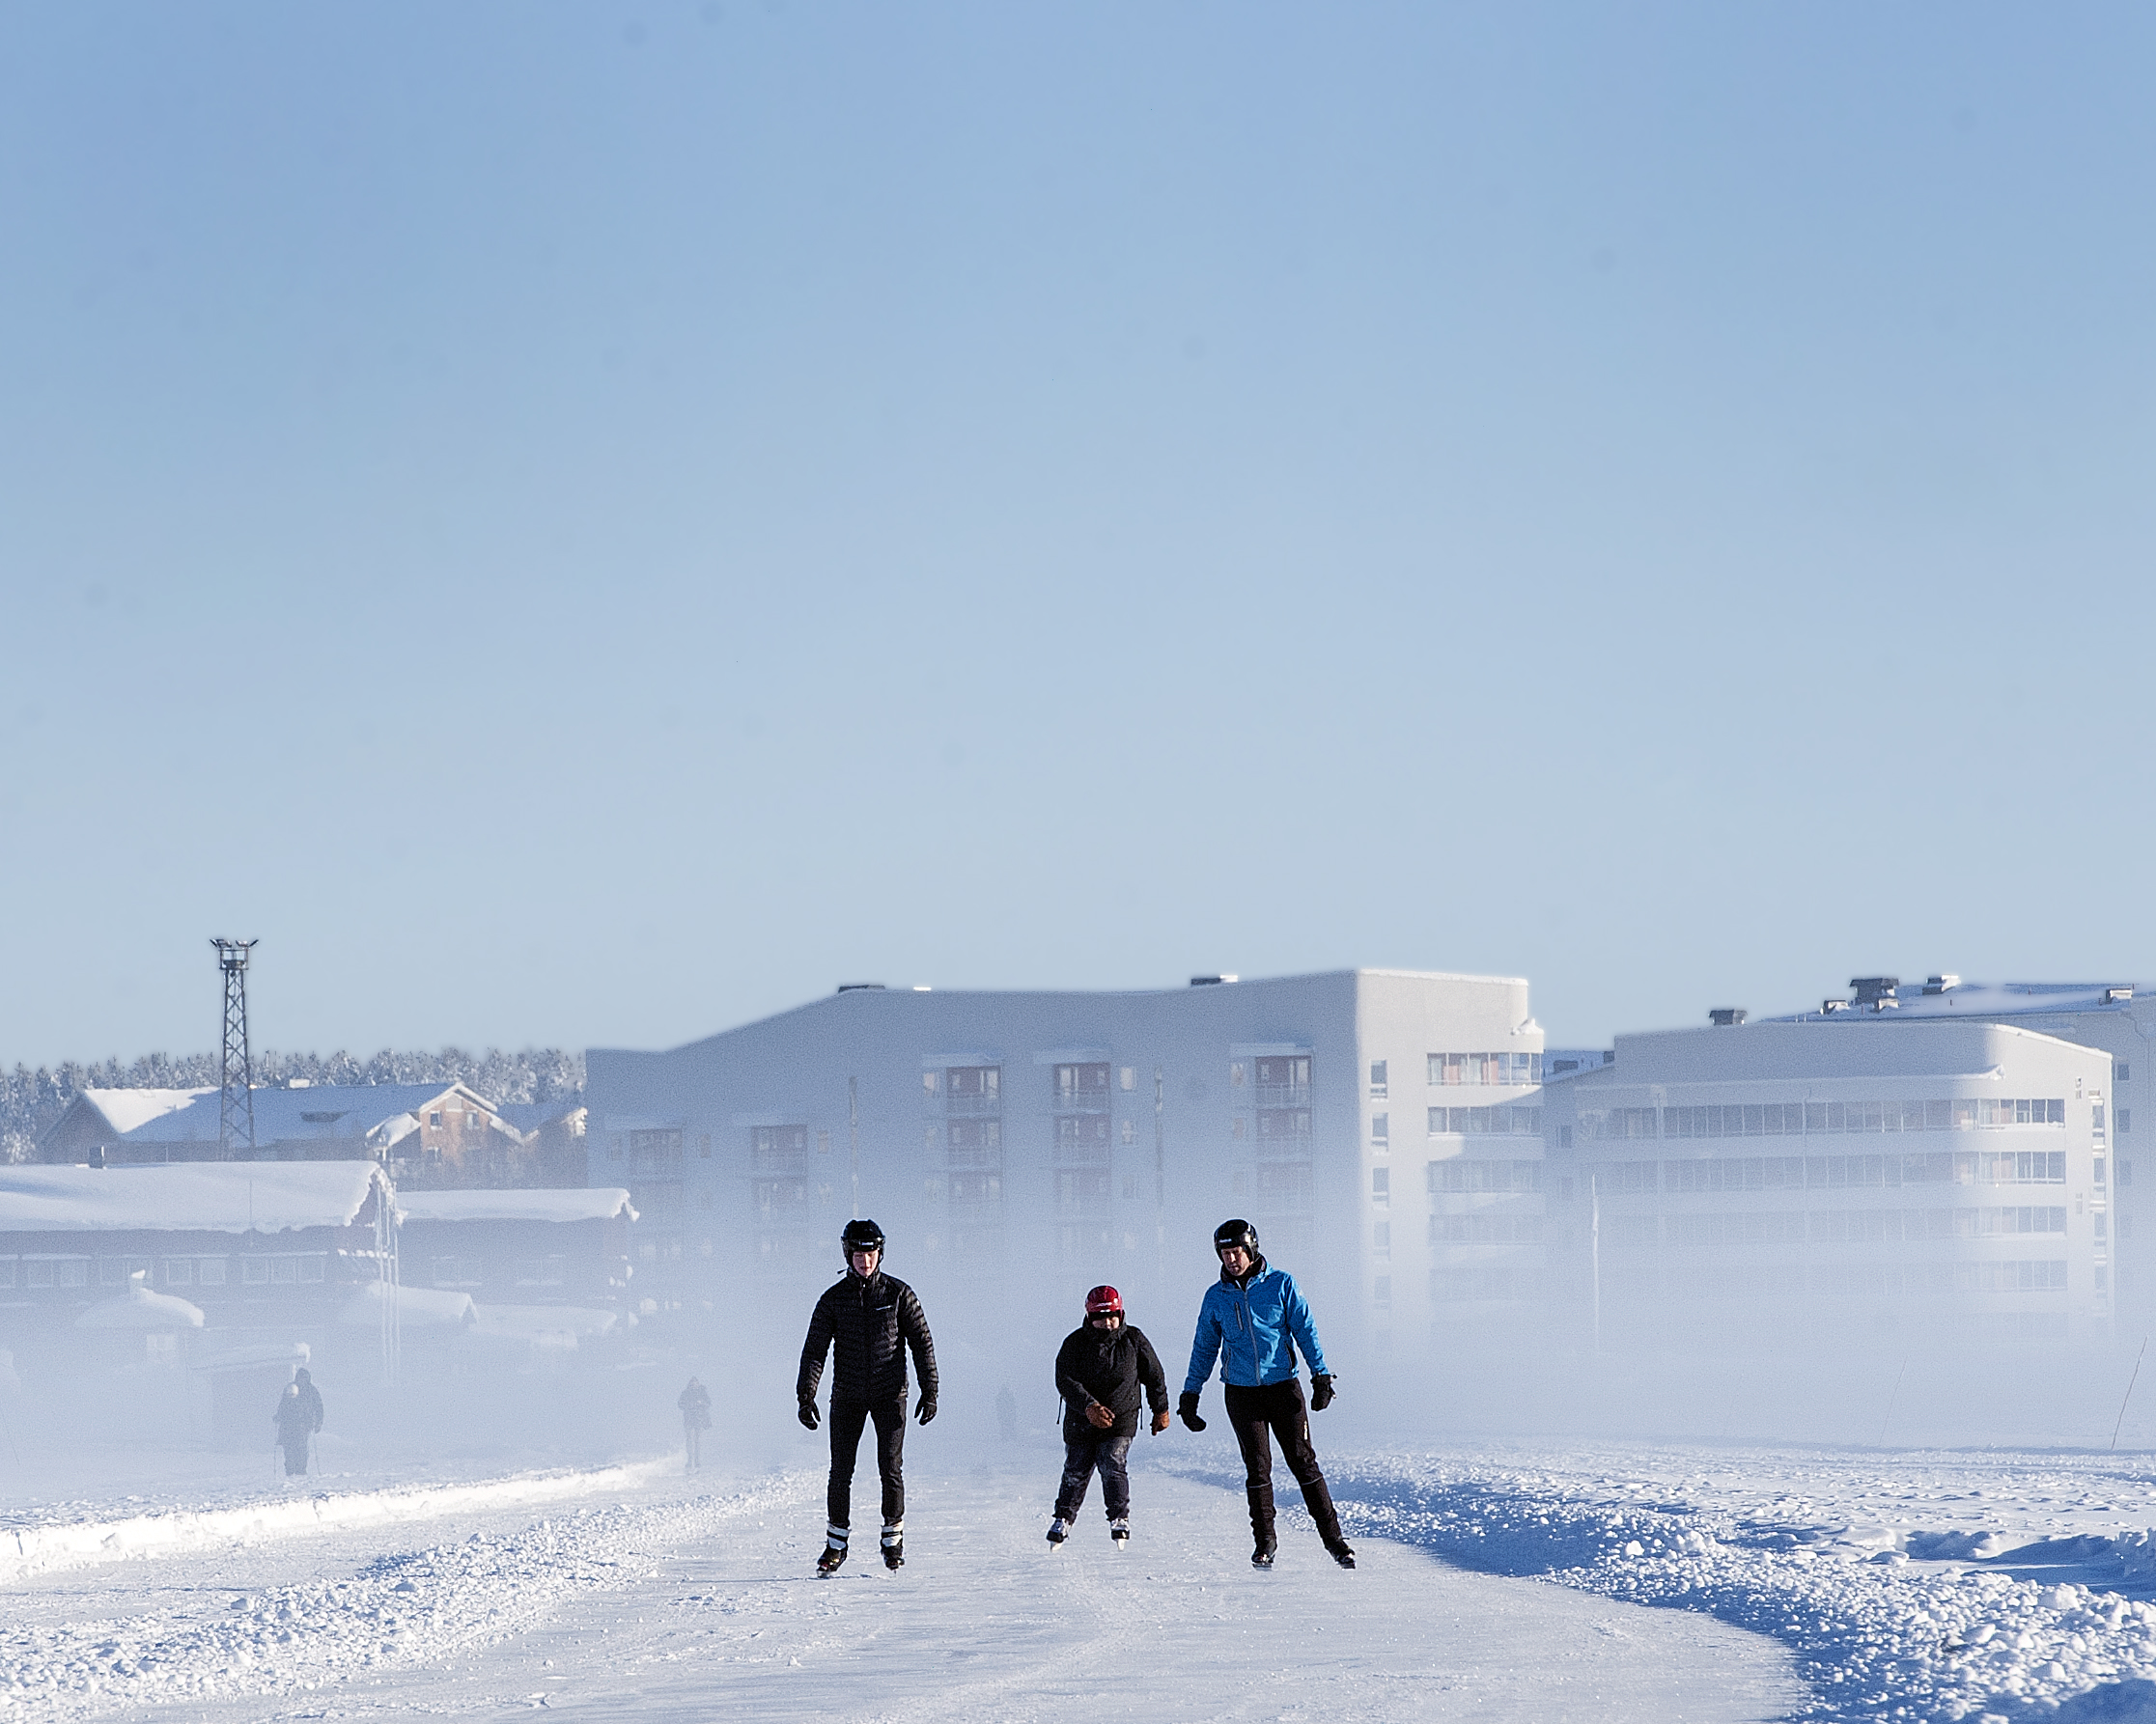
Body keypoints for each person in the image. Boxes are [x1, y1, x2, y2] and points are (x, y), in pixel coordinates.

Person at [1179, 1218, 1354, 1571]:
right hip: (1242, 1394)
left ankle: (1335, 1542)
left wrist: (1321, 1377)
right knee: (1257, 1469)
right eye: (1225, 1253)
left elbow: (1306, 1330)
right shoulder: (1216, 1297)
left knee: (1303, 1462)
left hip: (1283, 1387)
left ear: (1251, 1249)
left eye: (1236, 1252)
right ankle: (1265, 1544)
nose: (1231, 1260)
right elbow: (1204, 1347)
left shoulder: (1281, 1285)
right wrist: (1190, 1393)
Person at [796, 1218, 938, 1575]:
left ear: (880, 1254)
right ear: (848, 1254)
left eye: (871, 1253)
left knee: (890, 1468)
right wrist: (806, 1394)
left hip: (890, 1394)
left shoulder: (898, 1294)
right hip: (848, 1396)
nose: (865, 1261)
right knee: (840, 1471)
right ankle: (835, 1545)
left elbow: (922, 1343)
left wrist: (930, 1389)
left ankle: (893, 1541)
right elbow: (815, 1350)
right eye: (859, 1254)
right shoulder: (832, 1300)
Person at [1047, 1285, 1168, 1549]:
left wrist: (1161, 1409)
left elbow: (1154, 1375)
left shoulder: (1134, 1340)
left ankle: (1119, 1518)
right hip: (1081, 1420)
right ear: (1090, 1317)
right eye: (1100, 1317)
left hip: (1120, 1418)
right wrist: (1088, 1406)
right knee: (1076, 1469)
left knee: (1112, 1462)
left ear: (1121, 1313)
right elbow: (1064, 1379)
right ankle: (1063, 1519)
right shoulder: (1075, 1343)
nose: (1107, 1322)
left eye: (1113, 1315)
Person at [273, 1368, 323, 1478]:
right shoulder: (291, 1388)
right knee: (289, 1447)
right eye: (301, 1377)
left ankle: (301, 1470)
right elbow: (283, 1404)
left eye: (305, 1378)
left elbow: (318, 1406)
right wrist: (279, 1416)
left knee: (301, 1447)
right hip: (288, 1424)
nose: (302, 1380)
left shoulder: (311, 1390)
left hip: (304, 1424)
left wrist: (319, 1422)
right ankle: (290, 1470)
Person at [678, 1376, 712, 1469]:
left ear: (698, 1383)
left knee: (697, 1441)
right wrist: (688, 1405)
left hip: (699, 1419)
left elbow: (708, 1404)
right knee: (689, 1440)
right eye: (692, 1383)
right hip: (689, 1419)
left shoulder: (702, 1392)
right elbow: (680, 1404)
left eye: (695, 1383)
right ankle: (690, 1460)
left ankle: (697, 1461)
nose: (694, 1385)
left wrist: (701, 1403)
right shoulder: (685, 1393)